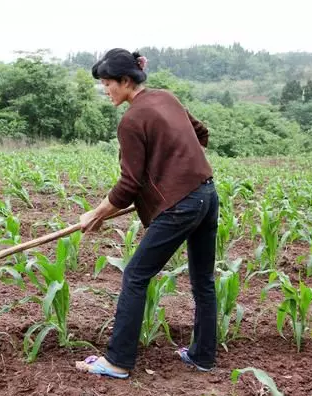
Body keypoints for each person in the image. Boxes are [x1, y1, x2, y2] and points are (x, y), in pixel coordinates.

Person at [76, 48, 219, 378]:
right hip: (207, 194)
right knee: (203, 281)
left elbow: (128, 185)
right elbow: (200, 134)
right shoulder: (166, 98)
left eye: (108, 83)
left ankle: (118, 361)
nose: (106, 90)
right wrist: (175, 164)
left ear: (126, 81)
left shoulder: (131, 120)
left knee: (135, 275)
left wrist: (95, 214)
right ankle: (203, 357)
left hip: (181, 206)